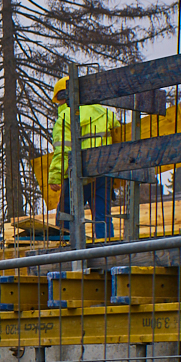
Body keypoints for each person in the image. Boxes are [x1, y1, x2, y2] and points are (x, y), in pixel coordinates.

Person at [48, 75, 121, 240]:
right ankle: (106, 248)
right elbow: (119, 140)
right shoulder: (106, 114)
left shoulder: (65, 118)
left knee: (66, 215)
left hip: (77, 174)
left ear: (64, 96)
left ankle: (66, 246)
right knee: (103, 216)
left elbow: (63, 150)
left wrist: (56, 176)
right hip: (103, 172)